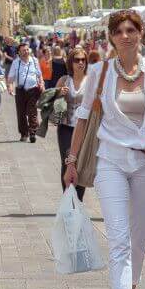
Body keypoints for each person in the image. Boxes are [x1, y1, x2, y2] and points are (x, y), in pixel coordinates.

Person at [63, 10, 145, 289]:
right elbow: (83, 118)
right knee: (118, 235)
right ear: (111, 37)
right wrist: (71, 161)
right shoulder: (99, 71)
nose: (125, 35)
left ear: (140, 34)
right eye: (119, 31)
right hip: (110, 161)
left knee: (140, 235)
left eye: (131, 29)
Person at [56, 47, 88, 199]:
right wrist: (59, 94)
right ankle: (67, 196)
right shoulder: (64, 80)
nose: (80, 63)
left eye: (83, 60)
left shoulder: (91, 81)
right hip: (66, 127)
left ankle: (78, 199)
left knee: (80, 163)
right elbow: (53, 102)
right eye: (77, 60)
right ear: (71, 62)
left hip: (85, 128)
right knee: (68, 160)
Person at [7, 42, 45, 143]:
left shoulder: (34, 61)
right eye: (23, 50)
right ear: (19, 52)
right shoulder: (16, 62)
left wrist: (41, 83)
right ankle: (24, 133)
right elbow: (10, 78)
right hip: (20, 90)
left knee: (32, 111)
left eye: (27, 50)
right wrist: (10, 87)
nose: (26, 52)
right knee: (21, 113)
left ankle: (32, 132)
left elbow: (39, 75)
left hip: (33, 90)